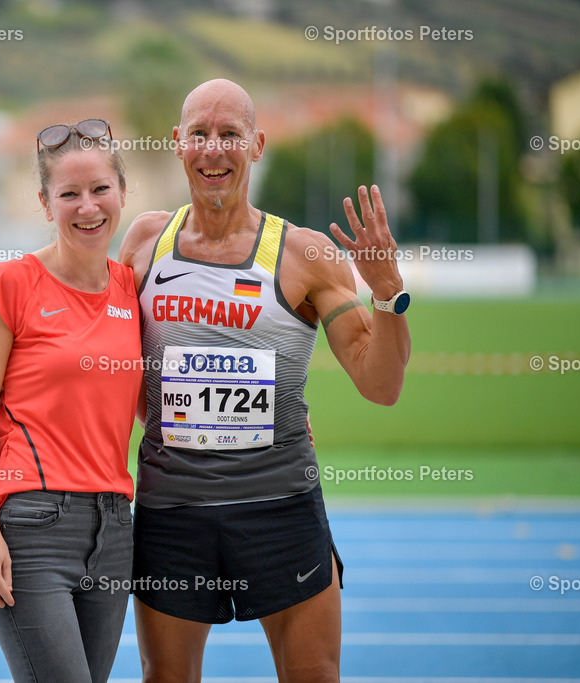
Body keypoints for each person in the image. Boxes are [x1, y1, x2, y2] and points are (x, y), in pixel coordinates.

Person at [118, 79, 411, 682]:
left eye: (230, 134)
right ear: (178, 143)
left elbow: (380, 385)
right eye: (199, 133)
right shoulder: (146, 243)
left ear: (256, 145)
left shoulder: (306, 255)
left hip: (281, 510)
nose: (213, 148)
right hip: (173, 511)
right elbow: (118, 369)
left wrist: (386, 293)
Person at [0, 119, 142, 683]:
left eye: (99, 190)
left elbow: (156, 399)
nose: (87, 207)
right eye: (69, 194)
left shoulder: (131, 290)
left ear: (121, 193)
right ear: (45, 204)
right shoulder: (9, 284)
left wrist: (279, 409)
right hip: (32, 527)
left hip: (115, 528)